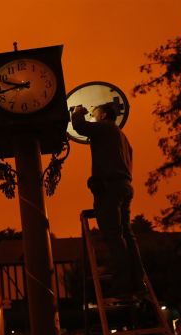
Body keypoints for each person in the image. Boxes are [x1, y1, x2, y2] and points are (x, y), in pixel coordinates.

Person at [71, 103, 146, 298]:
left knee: (113, 235)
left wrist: (77, 111)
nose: (93, 114)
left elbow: (80, 126)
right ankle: (137, 279)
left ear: (104, 115)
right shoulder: (123, 137)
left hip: (110, 188)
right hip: (125, 186)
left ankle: (123, 282)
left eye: (95, 112)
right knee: (127, 234)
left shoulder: (105, 127)